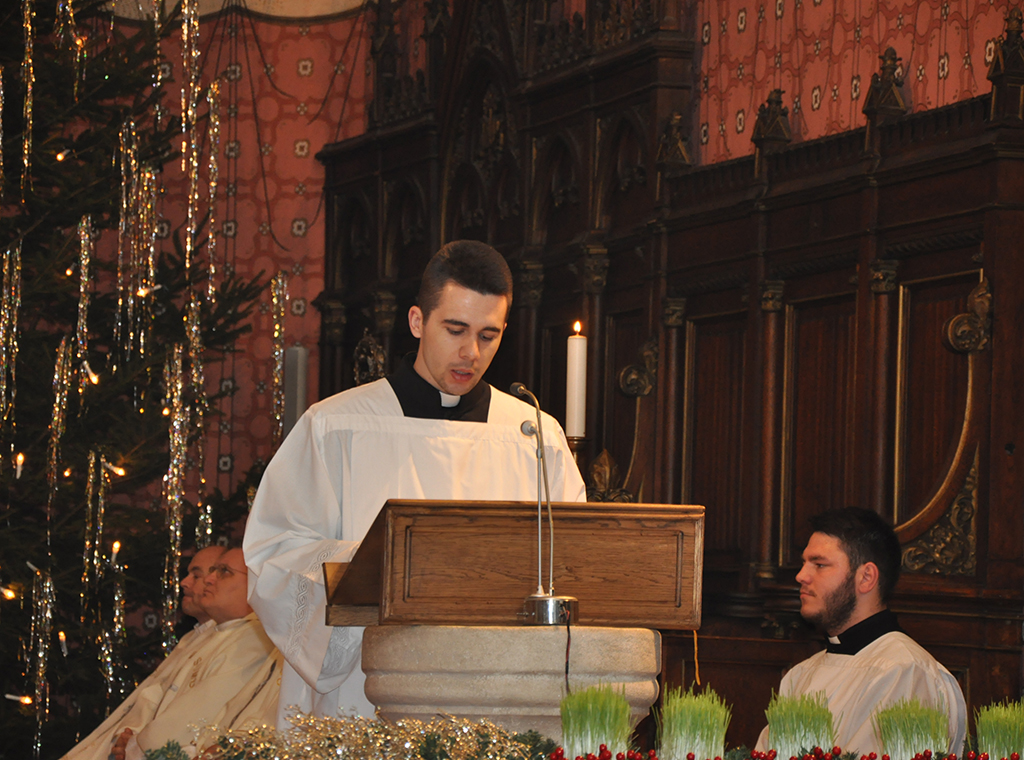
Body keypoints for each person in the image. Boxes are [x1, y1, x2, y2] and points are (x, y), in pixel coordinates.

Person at [244, 240, 587, 727]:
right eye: (455, 330)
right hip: (367, 696)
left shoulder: (534, 435)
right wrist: (377, 566)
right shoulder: (337, 426)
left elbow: (571, 560)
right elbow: (274, 552)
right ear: (417, 321)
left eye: (489, 335)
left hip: (497, 692)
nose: (471, 353)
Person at [756, 508, 966, 757]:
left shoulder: (905, 671)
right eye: (804, 563)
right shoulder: (800, 674)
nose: (801, 576)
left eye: (819, 565)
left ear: (866, 577)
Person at [65, 547, 282, 760]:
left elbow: (199, 714)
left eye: (224, 571)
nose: (208, 580)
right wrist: (129, 735)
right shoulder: (211, 634)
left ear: (258, 584)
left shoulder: (254, 639)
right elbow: (154, 695)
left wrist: (135, 746)